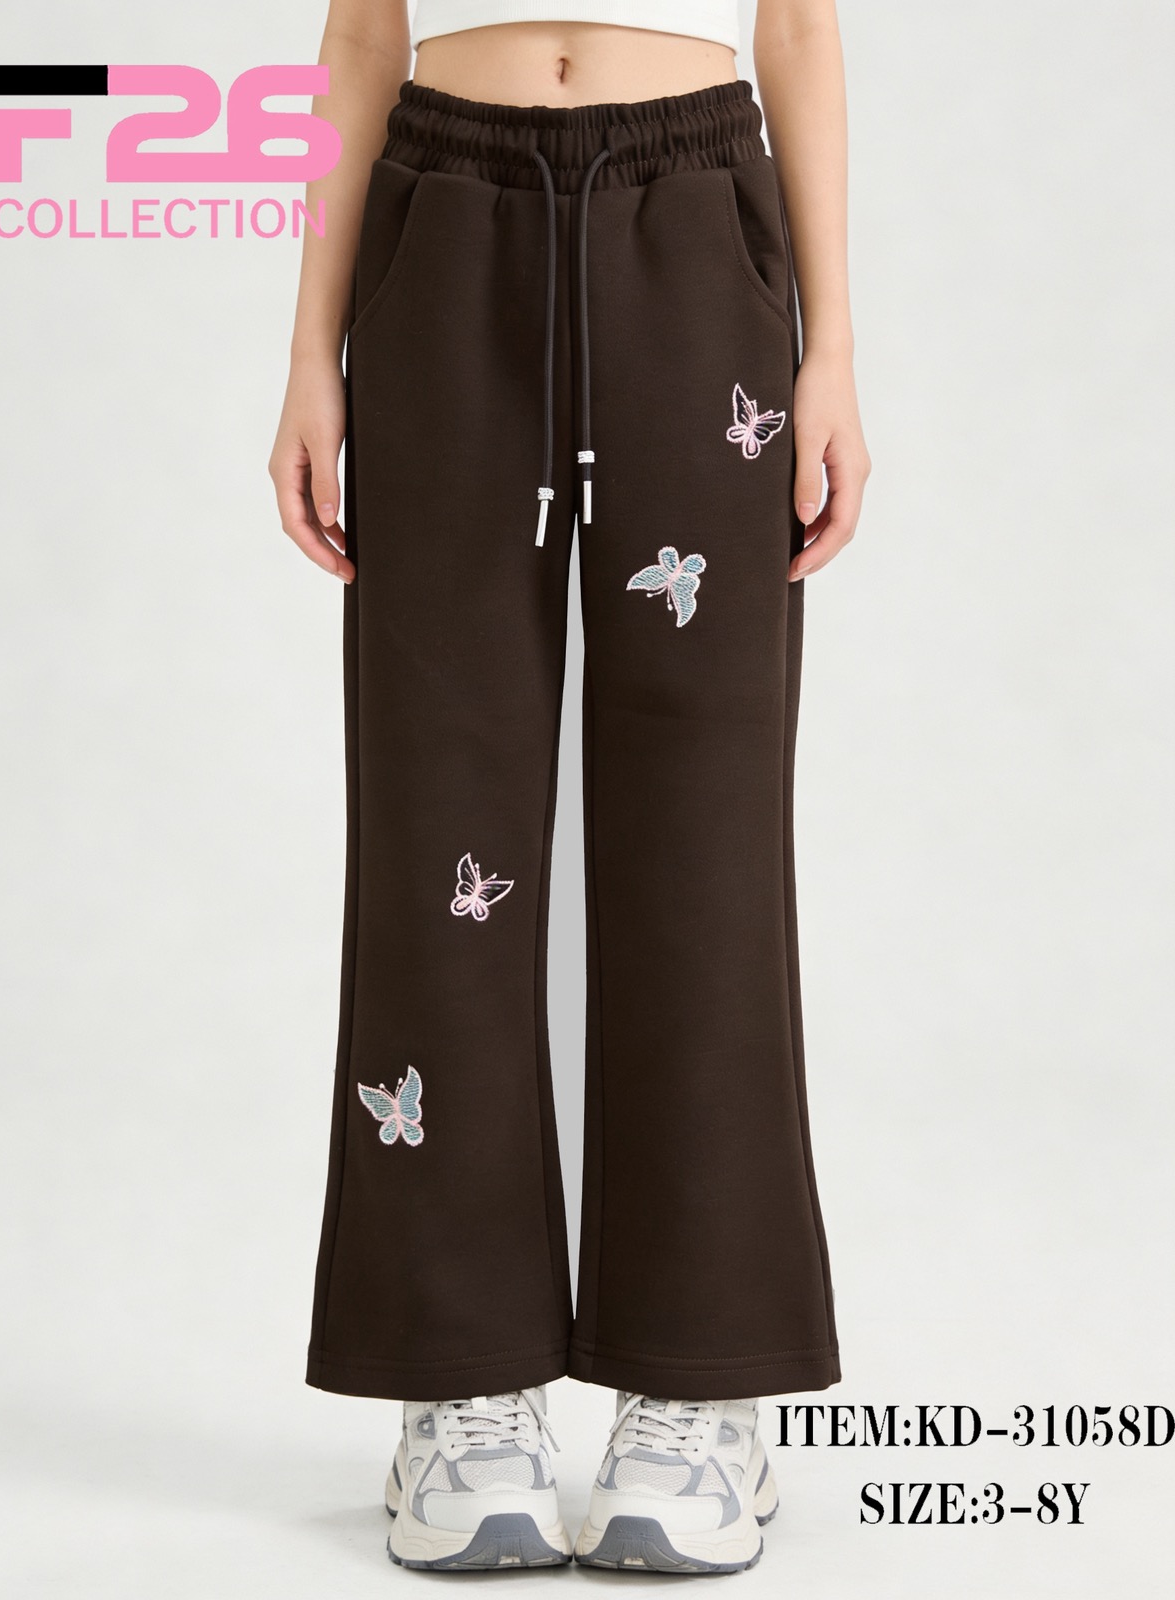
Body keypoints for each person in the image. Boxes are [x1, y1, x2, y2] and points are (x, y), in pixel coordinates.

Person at [269, 0, 871, 1574]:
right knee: (437, 815)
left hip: (695, 223)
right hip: (445, 224)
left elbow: (799, 30)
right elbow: (359, 39)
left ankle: (703, 1387)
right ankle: (458, 1380)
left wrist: (833, 351)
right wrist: (310, 355)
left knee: (707, 832)